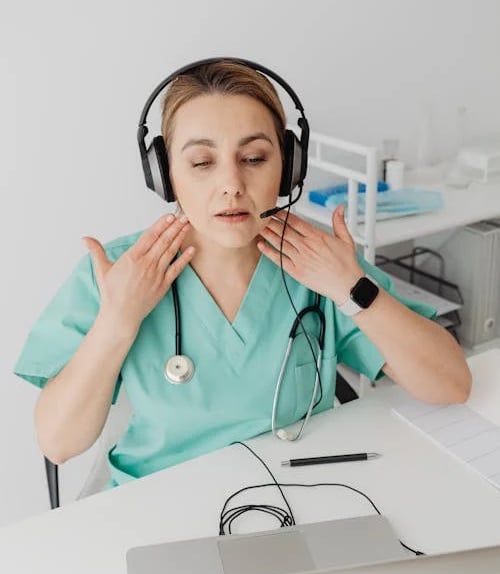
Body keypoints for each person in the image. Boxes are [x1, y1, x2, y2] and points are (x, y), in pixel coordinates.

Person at [14, 58, 471, 490]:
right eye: (201, 162)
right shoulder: (119, 271)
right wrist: (118, 321)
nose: (232, 184)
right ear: (165, 175)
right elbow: (59, 444)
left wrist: (351, 289)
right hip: (158, 505)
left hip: (298, 491)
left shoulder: (317, 260)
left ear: (288, 167)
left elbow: (451, 384)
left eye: (253, 158)